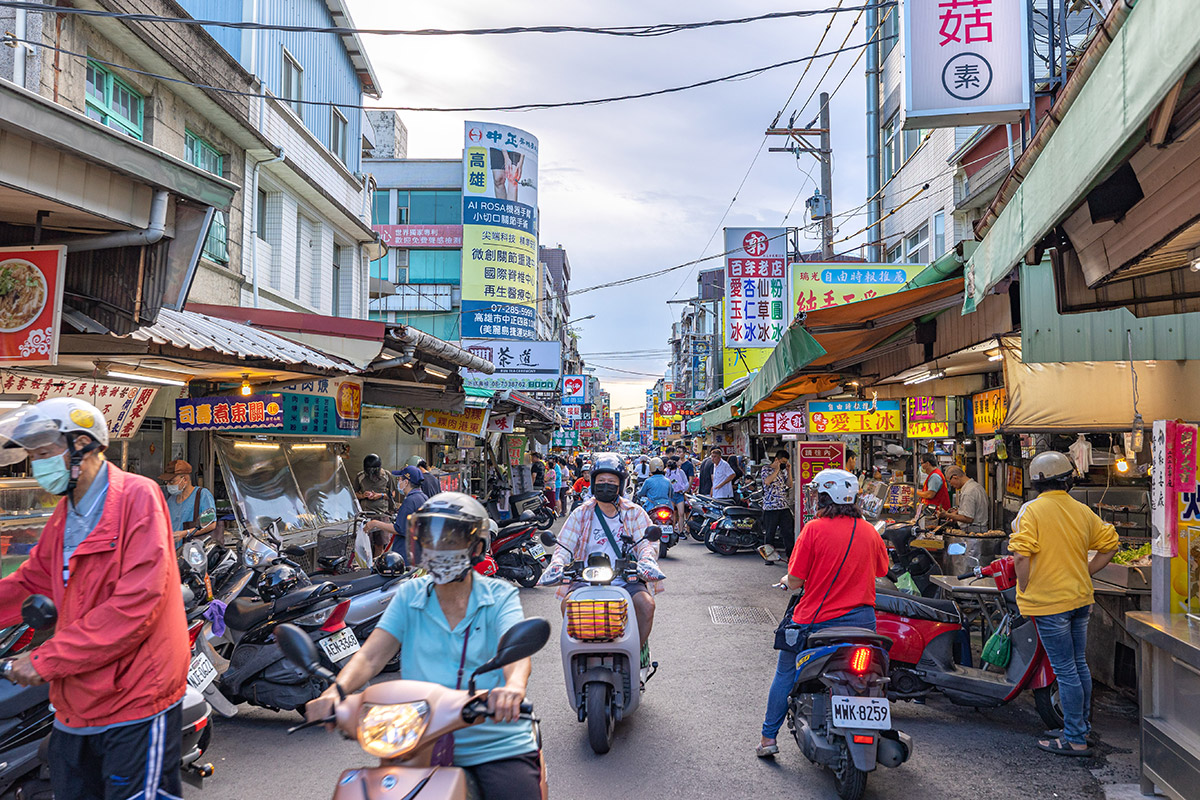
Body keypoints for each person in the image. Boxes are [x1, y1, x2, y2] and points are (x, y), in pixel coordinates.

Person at [0, 398, 189, 799]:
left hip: (137, 697)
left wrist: (45, 659)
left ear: (83, 446)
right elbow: (30, 581)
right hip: (78, 699)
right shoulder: (65, 514)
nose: (37, 467)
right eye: (33, 457)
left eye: (44, 454)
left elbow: (135, 606)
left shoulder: (139, 497)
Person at [306, 493, 541, 799]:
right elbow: (371, 656)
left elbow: (516, 654)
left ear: (477, 548)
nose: (437, 547)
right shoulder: (409, 594)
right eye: (430, 538)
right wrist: (336, 692)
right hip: (415, 737)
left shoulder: (499, 596)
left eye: (450, 539)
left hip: (492, 740)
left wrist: (512, 688)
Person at [757, 469, 888, 758]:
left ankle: (768, 738)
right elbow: (882, 571)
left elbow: (795, 580)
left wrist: (786, 581)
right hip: (863, 624)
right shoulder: (868, 530)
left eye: (818, 494)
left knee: (785, 673)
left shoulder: (813, 529)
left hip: (814, 624)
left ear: (826, 497)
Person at [1008, 451, 1118, 757]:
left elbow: (1020, 555)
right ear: (1067, 479)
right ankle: (1081, 728)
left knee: (1065, 669)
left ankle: (1074, 738)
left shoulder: (1032, 511)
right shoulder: (1081, 510)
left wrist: (1025, 586)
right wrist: (1087, 570)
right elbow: (1110, 543)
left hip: (1051, 603)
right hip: (1080, 599)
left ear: (1036, 482)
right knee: (1078, 665)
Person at [541, 455, 664, 656]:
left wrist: (646, 561)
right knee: (568, 605)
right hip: (587, 579)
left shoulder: (634, 512)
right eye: (601, 482)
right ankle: (579, 656)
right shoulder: (581, 513)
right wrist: (557, 564)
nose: (605, 486)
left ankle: (634, 655)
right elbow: (564, 545)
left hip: (626, 579)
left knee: (646, 605)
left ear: (620, 485)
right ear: (593, 483)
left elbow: (647, 544)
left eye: (611, 482)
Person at [365, 466, 429, 552]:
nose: (398, 482)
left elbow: (399, 529)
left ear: (406, 482)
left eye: (399, 479)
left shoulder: (410, 501)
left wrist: (375, 523)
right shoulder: (424, 497)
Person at [158, 459, 216, 540]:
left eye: (171, 482)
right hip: (174, 550)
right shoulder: (170, 500)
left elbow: (211, 524)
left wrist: (186, 533)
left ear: (184, 479)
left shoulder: (202, 495)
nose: (168, 485)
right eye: (166, 482)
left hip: (192, 549)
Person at [758, 450, 794, 565]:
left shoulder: (783, 472)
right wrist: (776, 470)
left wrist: (788, 471)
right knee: (770, 533)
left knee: (788, 532)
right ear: (777, 460)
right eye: (782, 462)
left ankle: (790, 556)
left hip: (783, 505)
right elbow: (767, 482)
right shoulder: (765, 469)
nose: (784, 464)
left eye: (786, 462)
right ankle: (768, 558)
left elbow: (789, 485)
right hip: (770, 507)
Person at [939, 465, 990, 532]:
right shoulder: (976, 486)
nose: (951, 484)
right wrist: (957, 512)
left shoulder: (968, 492)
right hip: (979, 529)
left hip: (973, 533)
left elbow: (968, 518)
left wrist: (947, 515)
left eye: (949, 481)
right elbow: (973, 509)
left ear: (955, 477)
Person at [665, 458, 690, 529]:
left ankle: (681, 530)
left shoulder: (680, 472)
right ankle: (671, 530)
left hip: (680, 495)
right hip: (671, 495)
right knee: (671, 514)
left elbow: (686, 483)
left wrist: (682, 490)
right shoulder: (667, 473)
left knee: (681, 513)